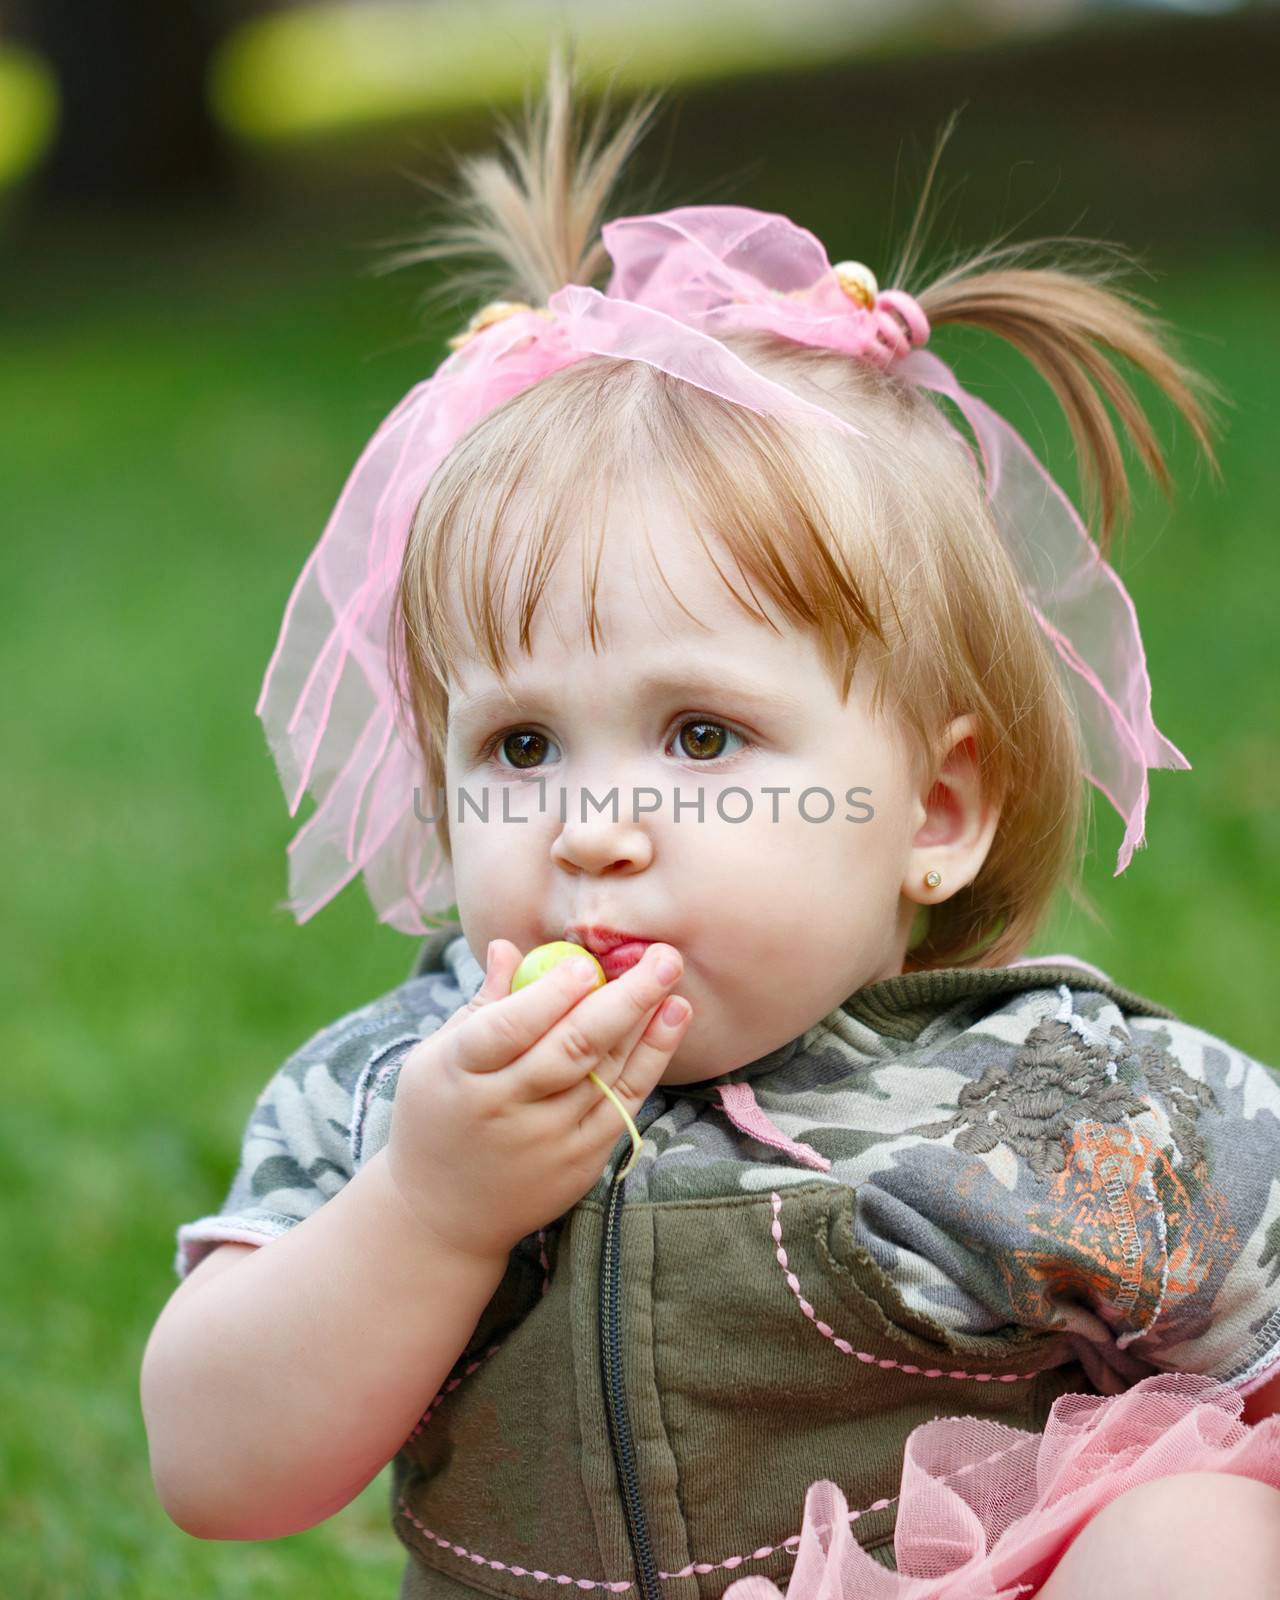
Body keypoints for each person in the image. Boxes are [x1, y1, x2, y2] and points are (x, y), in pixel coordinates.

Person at [139, 42, 1280, 1600]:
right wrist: (428, 1209)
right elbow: (217, 1473)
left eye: (699, 736)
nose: (594, 826)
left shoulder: (1057, 1105)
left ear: (935, 810)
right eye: (521, 743)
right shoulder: (389, 1104)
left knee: (1196, 1536)